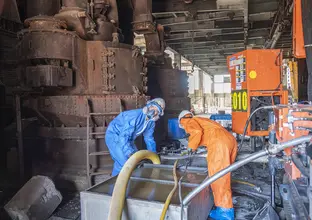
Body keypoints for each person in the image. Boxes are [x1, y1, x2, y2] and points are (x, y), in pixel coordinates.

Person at [178, 110, 237, 220]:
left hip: (219, 143)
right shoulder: (201, 120)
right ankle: (223, 208)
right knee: (224, 175)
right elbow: (204, 134)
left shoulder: (187, 120)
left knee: (218, 178)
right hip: (229, 140)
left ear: (181, 121)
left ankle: (225, 213)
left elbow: (196, 132)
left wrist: (191, 147)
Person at [105, 98, 165, 176]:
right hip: (115, 136)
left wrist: (153, 155)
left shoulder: (151, 123)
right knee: (125, 164)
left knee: (136, 163)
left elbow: (149, 139)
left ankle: (132, 185)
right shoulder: (135, 116)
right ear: (148, 106)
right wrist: (129, 152)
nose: (154, 111)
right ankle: (116, 186)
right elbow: (123, 136)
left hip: (128, 139)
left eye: (157, 110)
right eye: (153, 107)